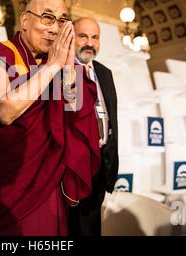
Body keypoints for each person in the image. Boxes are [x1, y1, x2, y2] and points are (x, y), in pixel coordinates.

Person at [0, 0, 102, 235]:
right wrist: (52, 66)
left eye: (62, 20)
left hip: (44, 185)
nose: (54, 29)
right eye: (47, 18)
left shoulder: (63, 64)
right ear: (25, 20)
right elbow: (3, 111)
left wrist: (66, 69)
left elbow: (75, 112)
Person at [68, 17, 119, 236]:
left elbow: (111, 119)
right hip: (71, 168)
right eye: (83, 36)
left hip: (100, 167)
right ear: (71, 38)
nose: (90, 43)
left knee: (91, 229)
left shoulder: (105, 73)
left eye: (95, 37)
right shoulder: (62, 71)